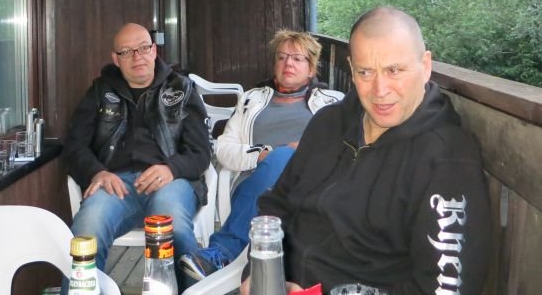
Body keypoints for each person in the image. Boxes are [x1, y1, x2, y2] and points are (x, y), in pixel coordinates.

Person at [253, 6, 492, 295]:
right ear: (351, 70)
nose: (380, 89)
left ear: (425, 66)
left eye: (394, 70)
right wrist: (259, 273)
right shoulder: (327, 124)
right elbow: (276, 204)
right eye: (366, 72)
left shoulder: (446, 160)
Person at [177, 29, 342, 281]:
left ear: (311, 69)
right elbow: (223, 147)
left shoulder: (333, 102)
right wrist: (260, 155)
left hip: (312, 183)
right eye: (282, 57)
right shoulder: (251, 100)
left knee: (285, 155)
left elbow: (345, 145)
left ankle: (222, 252)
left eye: (297, 58)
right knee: (280, 157)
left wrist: (305, 149)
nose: (288, 63)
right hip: (257, 184)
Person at [63, 23, 211, 271]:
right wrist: (96, 172)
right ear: (116, 59)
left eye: (143, 48)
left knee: (171, 226)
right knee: (87, 232)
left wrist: (171, 169)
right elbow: (74, 146)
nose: (137, 57)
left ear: (154, 50)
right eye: (126, 52)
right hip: (116, 186)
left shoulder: (182, 89)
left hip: (171, 182)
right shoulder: (100, 92)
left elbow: (201, 152)